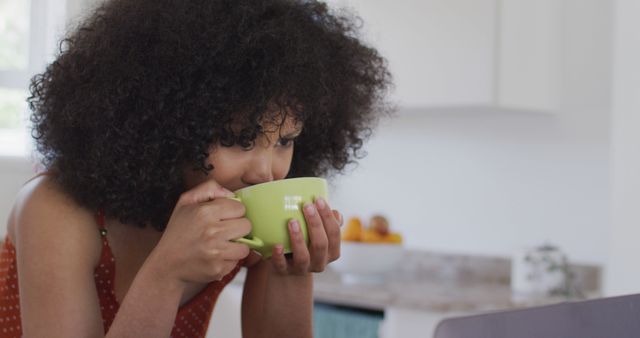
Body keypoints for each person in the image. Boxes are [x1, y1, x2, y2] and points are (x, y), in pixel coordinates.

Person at [0, 0, 391, 337]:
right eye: (239, 139)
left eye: (285, 141)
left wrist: (290, 271)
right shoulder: (55, 212)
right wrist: (166, 273)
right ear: (163, 124)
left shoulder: (247, 224)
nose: (266, 173)